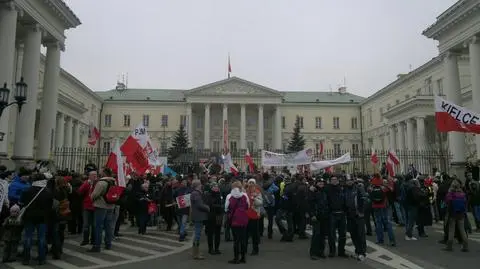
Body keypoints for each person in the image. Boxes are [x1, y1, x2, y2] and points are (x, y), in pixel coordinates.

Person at [225, 180, 249, 264]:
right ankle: (243, 257)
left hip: (234, 220)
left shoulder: (229, 196)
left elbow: (226, 208)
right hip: (243, 219)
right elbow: (248, 206)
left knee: (236, 240)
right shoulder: (245, 195)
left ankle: (236, 258)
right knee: (243, 239)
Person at [443, 179, 468, 252]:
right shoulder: (462, 194)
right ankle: (465, 246)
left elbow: (446, 202)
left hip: (452, 213)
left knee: (451, 230)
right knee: (462, 229)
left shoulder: (450, 194)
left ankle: (449, 246)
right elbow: (465, 203)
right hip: (461, 213)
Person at [190, 179, 210, 260]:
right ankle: (196, 254)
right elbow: (199, 205)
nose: (201, 185)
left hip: (197, 215)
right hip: (198, 216)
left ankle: (195, 252)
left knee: (197, 234)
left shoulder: (195, 193)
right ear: (198, 185)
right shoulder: (196, 193)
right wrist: (207, 207)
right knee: (197, 234)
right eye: (200, 184)